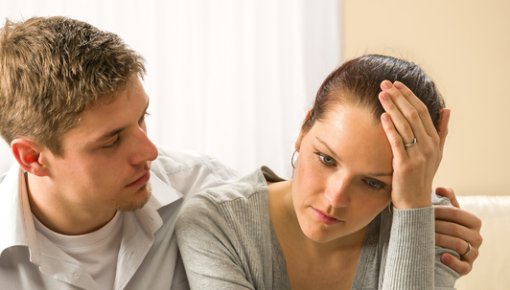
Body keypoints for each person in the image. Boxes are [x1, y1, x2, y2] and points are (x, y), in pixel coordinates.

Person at [0, 16, 480, 290]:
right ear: (31, 158)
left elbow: (302, 198)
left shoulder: (198, 190)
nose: (149, 149)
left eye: (142, 119)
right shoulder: (214, 216)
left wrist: (418, 212)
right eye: (111, 140)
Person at [175, 54, 482, 289]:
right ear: (304, 128)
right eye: (326, 159)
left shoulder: (430, 225)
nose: (335, 197)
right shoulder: (217, 224)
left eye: (373, 183)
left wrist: (414, 208)